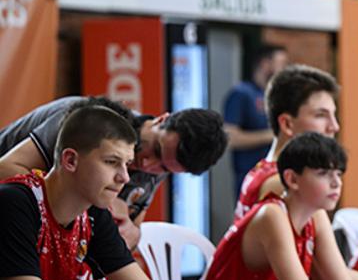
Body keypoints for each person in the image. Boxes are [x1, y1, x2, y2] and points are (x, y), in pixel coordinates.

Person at [236, 64, 358, 280]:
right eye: (321, 115)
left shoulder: (261, 173)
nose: (334, 126)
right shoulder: (294, 187)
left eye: (334, 115)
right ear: (286, 123)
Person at [0, 96, 227, 253]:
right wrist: (94, 207)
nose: (148, 164)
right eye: (155, 149)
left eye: (164, 168)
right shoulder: (88, 121)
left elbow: (132, 230)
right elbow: (5, 170)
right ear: (162, 119)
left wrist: (131, 232)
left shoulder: (160, 164)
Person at [0, 104, 189, 280]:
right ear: (70, 160)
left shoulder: (92, 212)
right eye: (111, 162)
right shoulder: (14, 204)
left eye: (127, 164)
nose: (125, 177)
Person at [200, 132, 356, 280]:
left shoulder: (314, 215)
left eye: (338, 173)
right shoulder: (271, 215)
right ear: (292, 179)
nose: (336, 183)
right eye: (323, 173)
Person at [223, 44, 289, 194]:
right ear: (265, 64)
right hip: (250, 181)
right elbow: (230, 138)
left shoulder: (276, 97)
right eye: (282, 63)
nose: (285, 69)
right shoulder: (241, 93)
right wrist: (274, 135)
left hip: (275, 177)